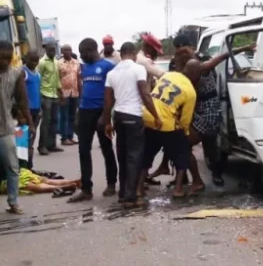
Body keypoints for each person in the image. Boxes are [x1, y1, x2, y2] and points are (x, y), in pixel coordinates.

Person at [150, 34, 256, 190]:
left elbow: (222, 57)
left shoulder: (199, 65)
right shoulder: (179, 66)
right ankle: (183, 176)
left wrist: (245, 48)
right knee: (178, 140)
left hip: (208, 110)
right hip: (192, 106)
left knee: (207, 147)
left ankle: (212, 174)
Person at [103, 42, 162, 208]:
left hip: (119, 117)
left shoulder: (112, 72)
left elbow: (108, 100)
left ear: (121, 54)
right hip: (134, 116)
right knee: (134, 157)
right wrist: (156, 116)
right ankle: (130, 197)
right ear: (134, 53)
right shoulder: (138, 69)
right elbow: (145, 93)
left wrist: (108, 122)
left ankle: (123, 194)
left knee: (122, 155)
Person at [137, 53, 202, 198]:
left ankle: (139, 188)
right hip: (165, 123)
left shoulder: (168, 75)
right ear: (196, 75)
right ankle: (178, 189)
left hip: (147, 116)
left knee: (147, 155)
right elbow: (185, 120)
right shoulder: (190, 91)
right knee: (182, 153)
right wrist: (184, 133)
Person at [68, 38, 118, 203]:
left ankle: (111, 183)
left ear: (91, 50)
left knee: (106, 148)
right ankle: (86, 189)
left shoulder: (108, 66)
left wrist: (106, 115)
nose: (81, 57)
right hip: (85, 111)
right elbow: (84, 91)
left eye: (83, 53)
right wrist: (78, 113)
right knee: (83, 150)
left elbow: (113, 92)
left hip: (101, 111)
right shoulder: (84, 68)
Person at [0, 40, 35, 214]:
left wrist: (30, 122)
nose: (4, 61)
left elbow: (22, 100)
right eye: (1, 58)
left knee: (13, 168)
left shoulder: (16, 74)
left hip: (5, 130)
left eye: (8, 58)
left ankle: (13, 202)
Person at [38, 42, 64, 155]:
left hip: (54, 95)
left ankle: (52, 145)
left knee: (54, 121)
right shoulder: (42, 63)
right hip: (45, 95)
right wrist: (39, 97)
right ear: (46, 50)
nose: (52, 52)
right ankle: (42, 146)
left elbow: (57, 79)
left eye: (54, 50)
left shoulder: (56, 62)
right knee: (46, 122)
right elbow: (38, 79)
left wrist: (60, 93)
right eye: (50, 50)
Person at [22, 49, 41, 169]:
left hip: (36, 109)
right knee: (25, 138)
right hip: (26, 111)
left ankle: (29, 164)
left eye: (36, 60)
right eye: (32, 60)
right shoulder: (22, 72)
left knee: (32, 137)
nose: (34, 62)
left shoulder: (37, 73)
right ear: (26, 59)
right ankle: (25, 165)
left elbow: (37, 91)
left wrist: (40, 110)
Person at [58, 44, 81, 145]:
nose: (68, 52)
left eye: (69, 50)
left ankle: (70, 136)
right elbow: (57, 79)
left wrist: (81, 92)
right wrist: (59, 93)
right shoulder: (58, 63)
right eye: (65, 50)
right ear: (62, 52)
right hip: (64, 93)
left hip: (74, 92)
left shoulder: (76, 63)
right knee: (64, 116)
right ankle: (64, 138)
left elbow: (78, 78)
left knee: (72, 115)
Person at [0, 167, 81, 195]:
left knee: (42, 181)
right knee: (33, 184)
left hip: (10, 174)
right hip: (7, 177)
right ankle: (65, 185)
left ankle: (69, 183)